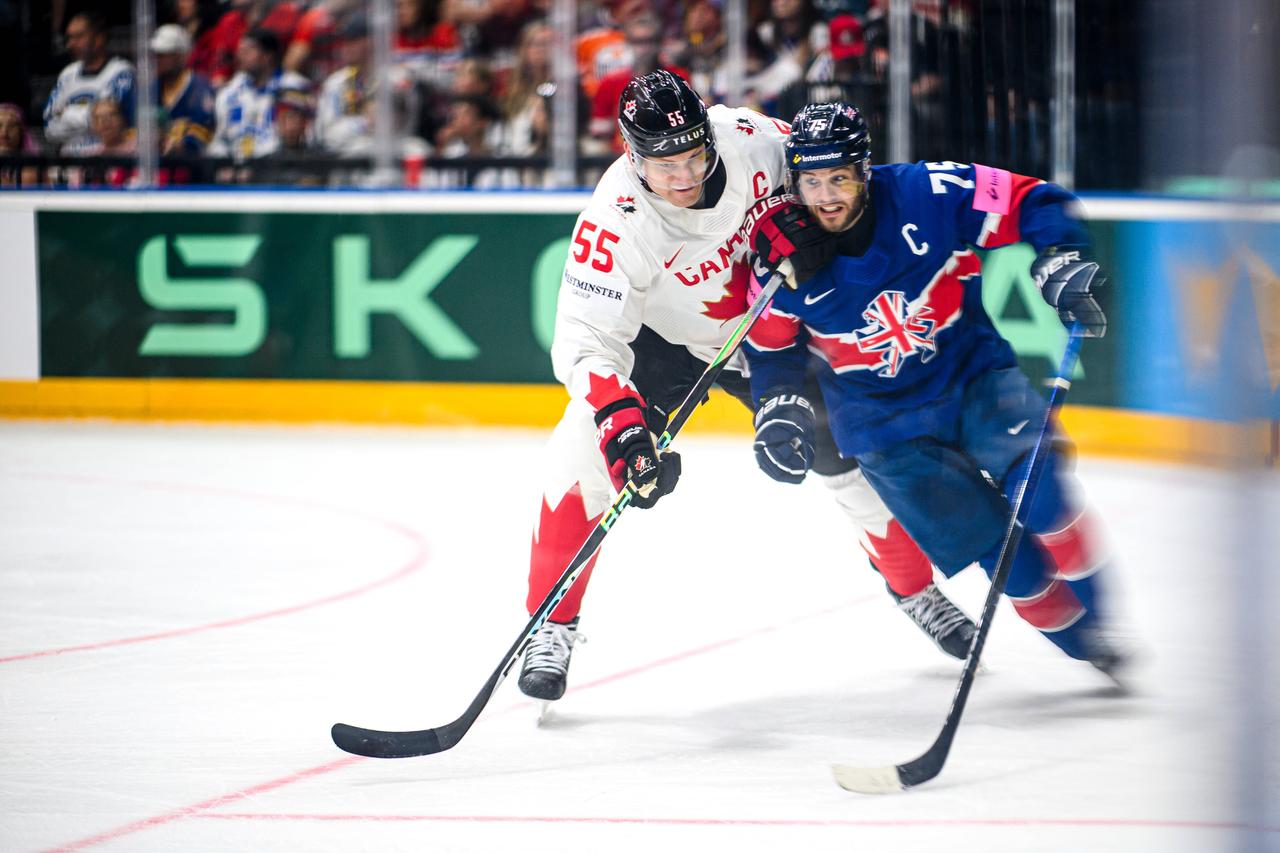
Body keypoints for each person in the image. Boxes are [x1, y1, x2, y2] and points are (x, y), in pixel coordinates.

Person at [516, 71, 976, 704]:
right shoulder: (614, 221)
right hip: (666, 344)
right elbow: (586, 341)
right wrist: (621, 425)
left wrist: (805, 223)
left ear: (711, 136)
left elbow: (831, 186)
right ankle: (552, 623)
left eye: (694, 156)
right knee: (581, 461)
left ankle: (913, 586)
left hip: (772, 336)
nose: (684, 176)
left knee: (854, 460)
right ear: (630, 154)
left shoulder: (753, 138)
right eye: (663, 164)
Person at [741, 101, 1124, 680]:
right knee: (1011, 569)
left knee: (1045, 500)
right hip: (885, 431)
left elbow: (1032, 200)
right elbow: (770, 351)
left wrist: (1062, 252)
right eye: (811, 181)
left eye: (839, 177)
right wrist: (777, 405)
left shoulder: (930, 192)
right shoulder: (780, 262)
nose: (825, 196)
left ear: (865, 170)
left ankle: (1107, 628)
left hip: (973, 380)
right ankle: (1087, 650)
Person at [43, 11, 136, 155]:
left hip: (106, 161)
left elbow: (111, 121)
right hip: (67, 164)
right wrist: (92, 117)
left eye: (79, 37)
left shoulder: (122, 72)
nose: (70, 44)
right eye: (69, 38)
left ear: (99, 38)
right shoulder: (68, 74)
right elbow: (49, 128)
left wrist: (66, 113)